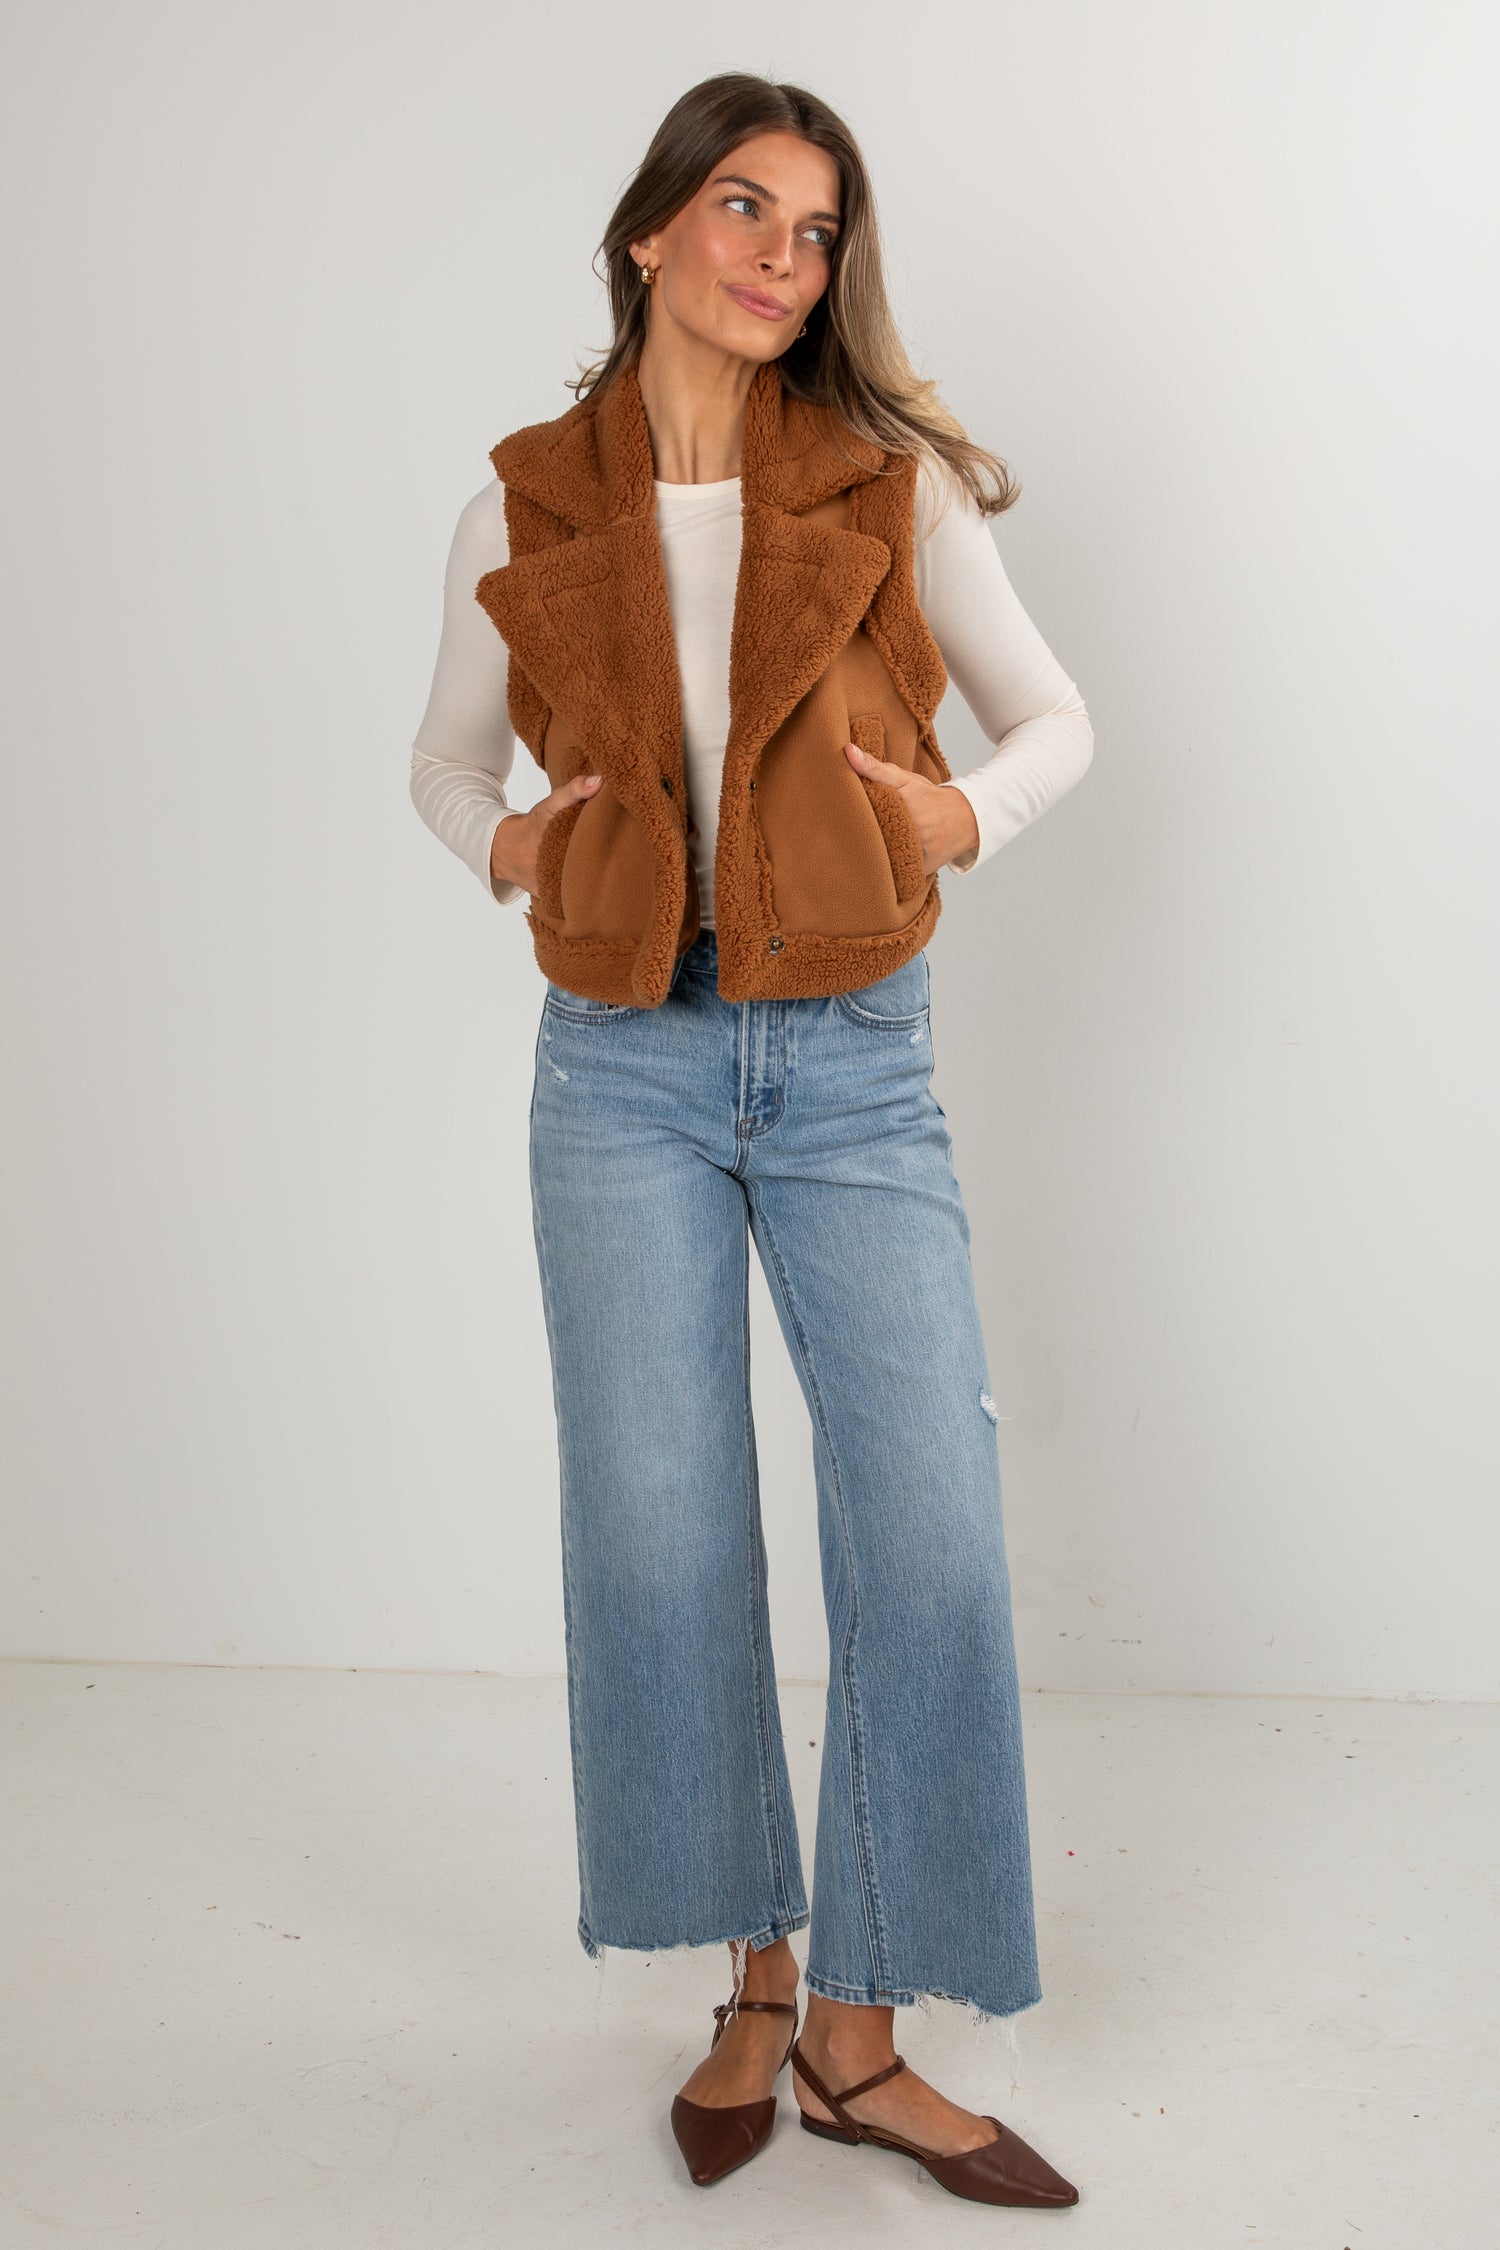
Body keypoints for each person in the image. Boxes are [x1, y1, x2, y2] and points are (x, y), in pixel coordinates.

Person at [410, 71, 1092, 2211]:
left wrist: (959, 813)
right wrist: (504, 841)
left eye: (813, 231)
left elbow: (1059, 717)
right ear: (649, 234)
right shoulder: (524, 502)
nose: (781, 256)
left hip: (852, 1058)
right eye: (742, 208)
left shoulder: (887, 490)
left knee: (935, 1535)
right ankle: (756, 1990)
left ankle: (867, 2042)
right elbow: (438, 766)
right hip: (614, 1063)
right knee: (663, 1540)